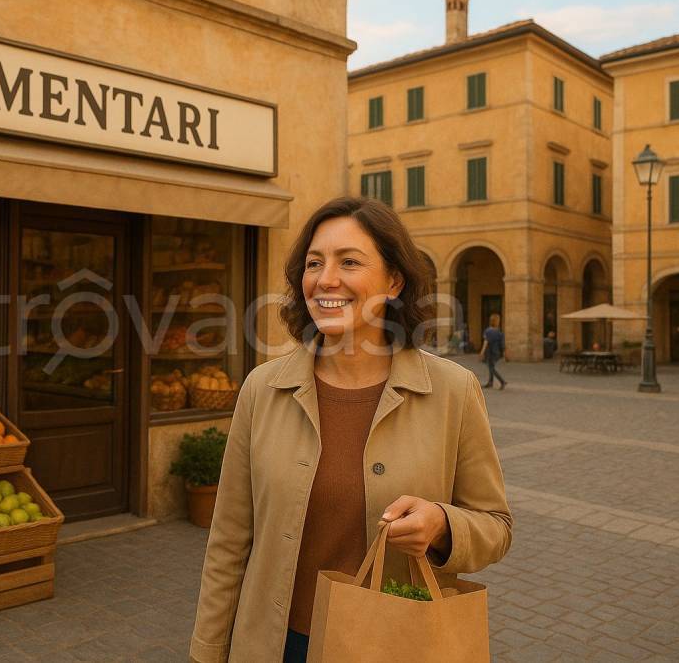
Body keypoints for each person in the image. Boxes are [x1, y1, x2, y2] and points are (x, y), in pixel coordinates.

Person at [189, 197, 513, 663]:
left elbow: (496, 526)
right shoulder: (262, 388)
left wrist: (443, 525)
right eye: (314, 263)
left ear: (394, 280)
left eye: (350, 262)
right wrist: (206, 652)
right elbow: (227, 545)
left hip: (394, 645)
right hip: (276, 645)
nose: (326, 279)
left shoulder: (452, 390)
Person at [479, 313, 508, 389]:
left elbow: (486, 342)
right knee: (491, 366)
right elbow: (502, 344)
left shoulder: (488, 331)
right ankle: (490, 382)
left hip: (490, 352)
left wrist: (482, 352)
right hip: (497, 353)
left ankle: (502, 381)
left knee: (491, 368)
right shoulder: (499, 332)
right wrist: (504, 354)